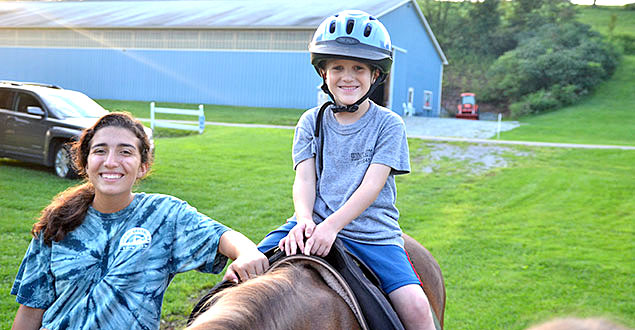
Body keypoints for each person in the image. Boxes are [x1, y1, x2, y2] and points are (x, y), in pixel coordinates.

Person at [257, 10, 435, 330]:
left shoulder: (388, 125)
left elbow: (372, 185)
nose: (347, 76)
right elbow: (304, 177)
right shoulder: (311, 121)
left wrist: (333, 227)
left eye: (358, 68)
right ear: (323, 72)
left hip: (372, 235)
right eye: (337, 67)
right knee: (245, 267)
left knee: (418, 309)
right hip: (314, 224)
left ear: (375, 76)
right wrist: (305, 220)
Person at [11, 112, 269, 330]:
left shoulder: (163, 215)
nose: (111, 162)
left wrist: (246, 252)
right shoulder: (57, 222)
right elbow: (31, 311)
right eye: (100, 151)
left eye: (125, 152)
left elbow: (222, 236)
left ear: (142, 166)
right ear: (86, 163)